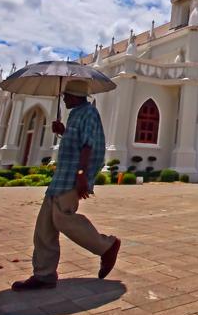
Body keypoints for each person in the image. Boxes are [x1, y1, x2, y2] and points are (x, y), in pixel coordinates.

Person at [12, 79, 121, 290]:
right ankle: (44, 274)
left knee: (63, 219)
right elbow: (76, 140)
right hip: (61, 177)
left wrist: (82, 176)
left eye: (67, 96)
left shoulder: (89, 112)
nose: (64, 99)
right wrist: (62, 131)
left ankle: (107, 246)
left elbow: (88, 145)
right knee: (44, 227)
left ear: (76, 96)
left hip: (72, 176)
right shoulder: (75, 114)